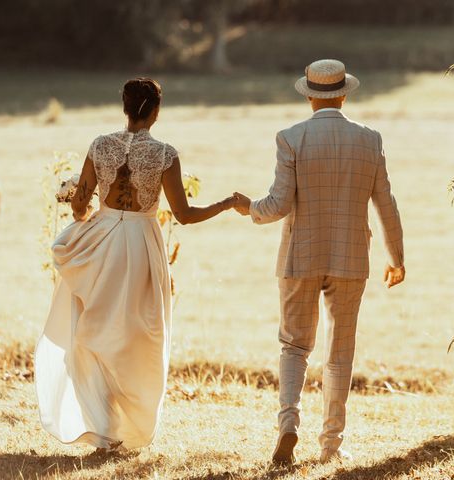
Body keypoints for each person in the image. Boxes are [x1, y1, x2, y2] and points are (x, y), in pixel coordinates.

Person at [35, 77, 235, 452]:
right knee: (139, 334)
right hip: (141, 245)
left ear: (125, 108)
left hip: (101, 242)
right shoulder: (165, 155)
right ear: (155, 112)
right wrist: (225, 204)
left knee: (94, 327)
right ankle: (126, 425)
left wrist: (75, 199)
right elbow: (185, 215)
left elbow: (80, 208)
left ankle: (104, 425)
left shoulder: (99, 145)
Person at [233, 59, 405, 465]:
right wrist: (396, 257)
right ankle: (331, 443)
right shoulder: (370, 140)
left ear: (310, 95)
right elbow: (386, 202)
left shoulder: (291, 138)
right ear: (344, 93)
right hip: (350, 256)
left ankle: (289, 424)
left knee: (294, 345)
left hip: (300, 254)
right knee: (340, 350)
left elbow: (277, 205)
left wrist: (248, 208)